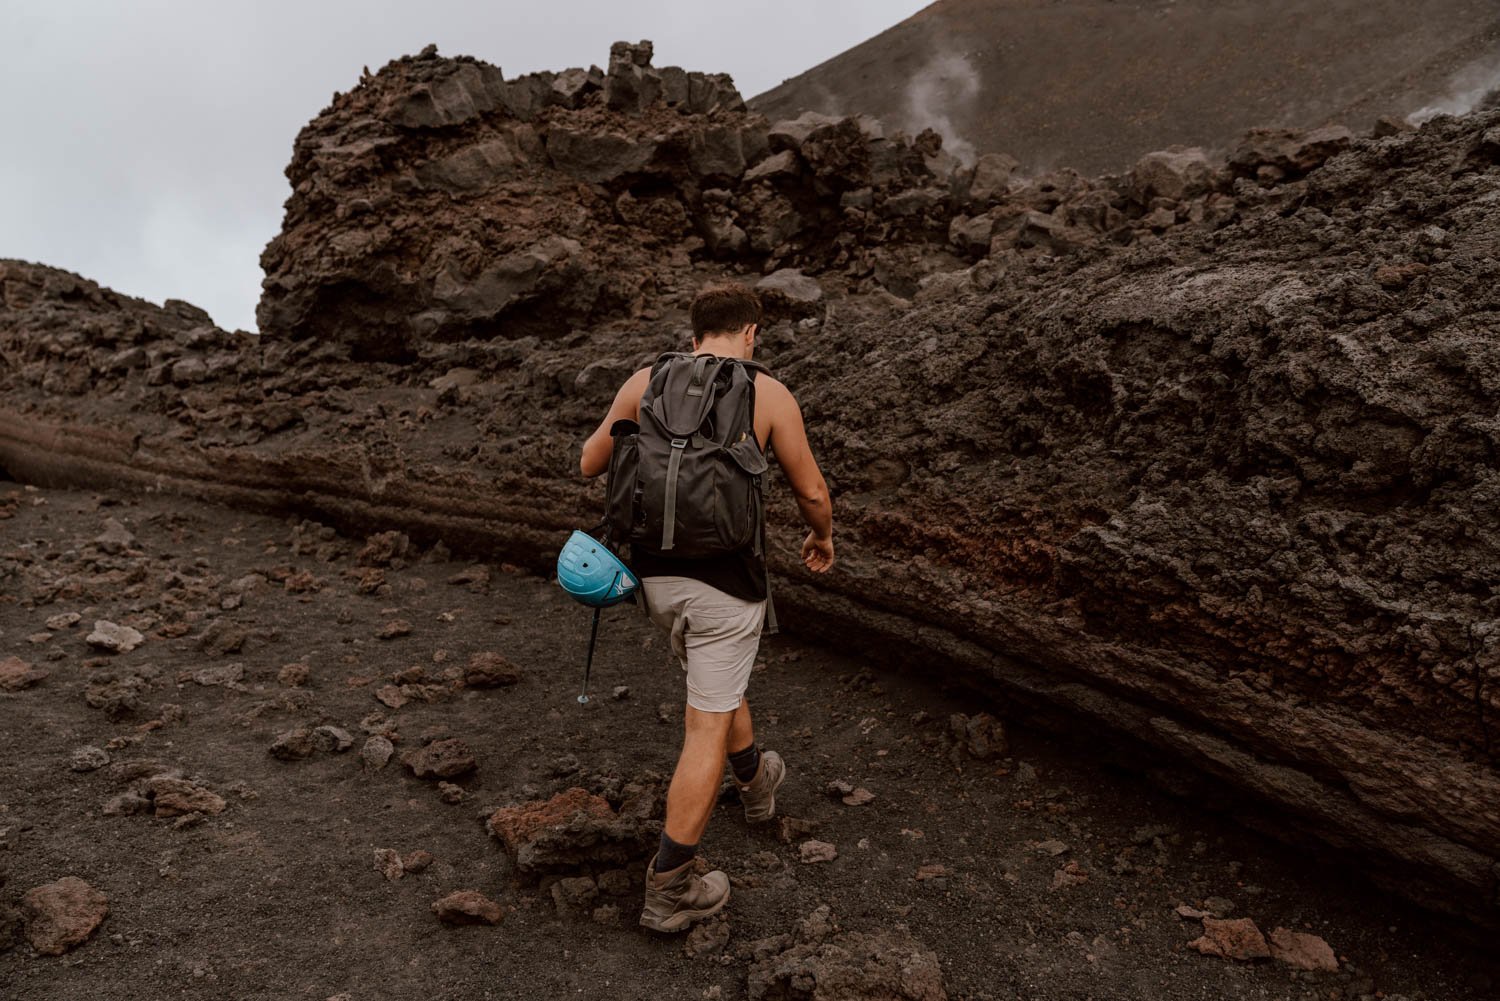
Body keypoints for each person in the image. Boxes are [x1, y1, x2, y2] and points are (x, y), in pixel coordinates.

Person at [579, 282, 834, 933]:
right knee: (704, 727)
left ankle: (754, 781)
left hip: (655, 582)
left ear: (694, 334)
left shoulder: (646, 380)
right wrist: (821, 535)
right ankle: (670, 887)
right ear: (751, 332)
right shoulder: (767, 392)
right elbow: (811, 490)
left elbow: (589, 462)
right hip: (727, 583)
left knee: (714, 683)